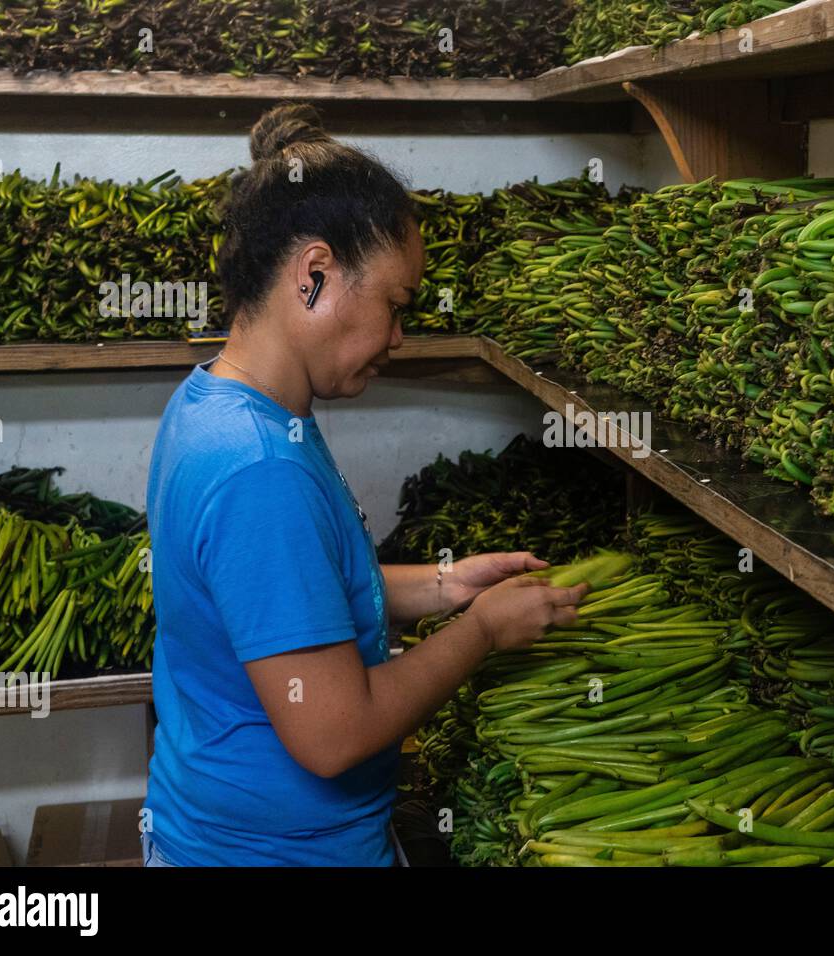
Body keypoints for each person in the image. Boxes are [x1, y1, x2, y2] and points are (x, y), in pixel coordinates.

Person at [140, 103, 587, 866]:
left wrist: (446, 587)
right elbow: (334, 733)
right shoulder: (260, 471)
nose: (397, 340)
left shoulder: (217, 404)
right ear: (315, 275)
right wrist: (480, 632)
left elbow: (284, 597)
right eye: (394, 306)